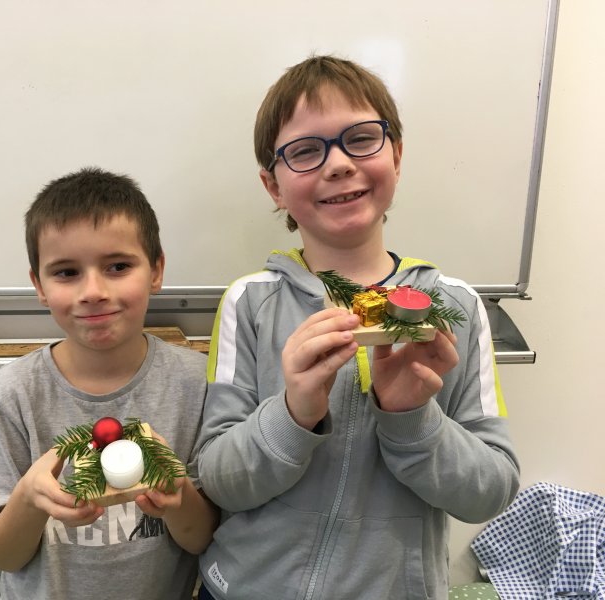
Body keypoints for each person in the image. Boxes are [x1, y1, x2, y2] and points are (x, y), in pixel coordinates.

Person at [195, 56, 520, 600]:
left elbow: (492, 492)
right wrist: (293, 412)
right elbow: (218, 481)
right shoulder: (249, 302)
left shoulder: (455, 306)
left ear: (397, 154)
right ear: (273, 186)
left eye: (362, 139)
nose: (339, 163)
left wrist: (413, 419)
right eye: (304, 151)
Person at [0, 167, 218, 600]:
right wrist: (28, 498)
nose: (93, 291)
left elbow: (201, 539)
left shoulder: (196, 384)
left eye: (118, 266)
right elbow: (2, 556)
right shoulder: (12, 394)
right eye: (66, 272)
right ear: (39, 285)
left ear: (156, 270)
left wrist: (179, 493)